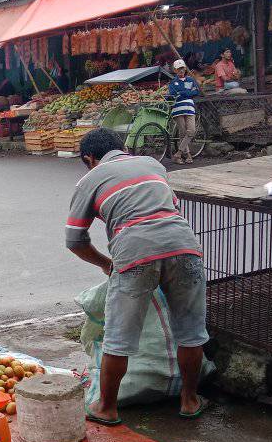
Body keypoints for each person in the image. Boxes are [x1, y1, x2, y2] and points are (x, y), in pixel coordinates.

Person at [66, 128, 208, 425]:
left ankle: (106, 407)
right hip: (185, 245)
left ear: (89, 159)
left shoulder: (89, 179)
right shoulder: (153, 165)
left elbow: (75, 240)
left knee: (118, 337)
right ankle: (190, 400)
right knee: (191, 332)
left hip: (135, 253)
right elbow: (171, 207)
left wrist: (106, 264)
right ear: (123, 148)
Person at [166, 59, 200, 165]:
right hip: (178, 110)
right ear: (175, 70)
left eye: (182, 68)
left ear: (185, 69)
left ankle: (179, 153)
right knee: (183, 133)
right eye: (179, 69)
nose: (181, 71)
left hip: (190, 109)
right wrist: (188, 93)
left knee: (191, 131)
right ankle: (187, 155)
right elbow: (173, 93)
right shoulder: (173, 82)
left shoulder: (191, 80)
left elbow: (196, 91)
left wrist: (183, 93)